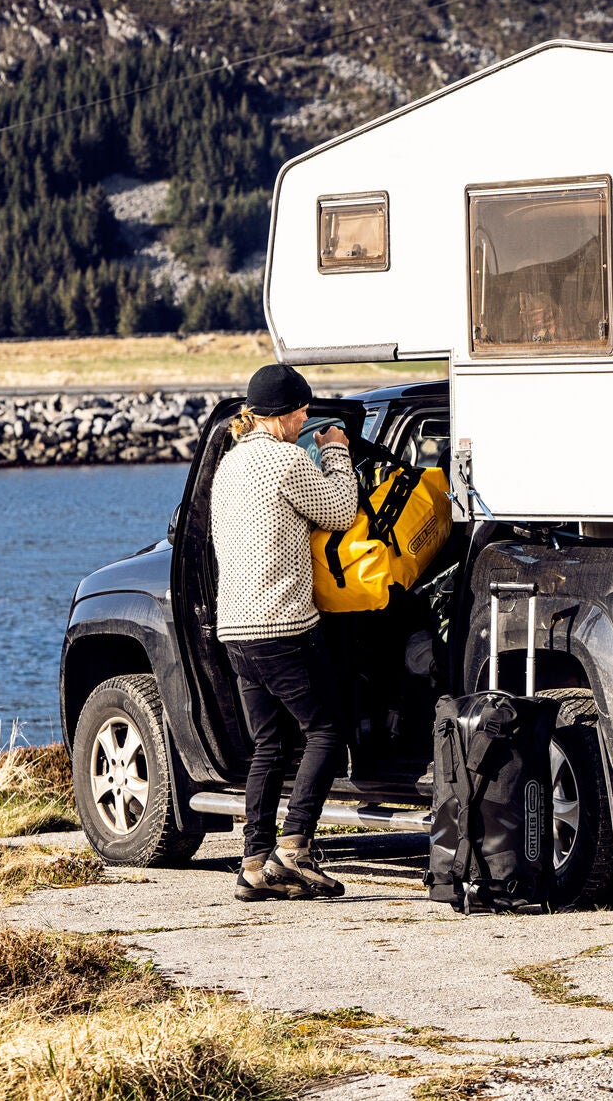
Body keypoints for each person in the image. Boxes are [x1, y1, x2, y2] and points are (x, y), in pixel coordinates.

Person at [212, 363, 361, 900]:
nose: (305, 418)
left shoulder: (228, 465)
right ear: (280, 414)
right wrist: (338, 450)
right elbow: (342, 511)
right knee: (325, 730)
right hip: (283, 625)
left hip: (236, 630)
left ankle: (254, 865)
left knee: (268, 743)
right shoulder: (286, 460)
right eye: (302, 410)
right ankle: (294, 850)